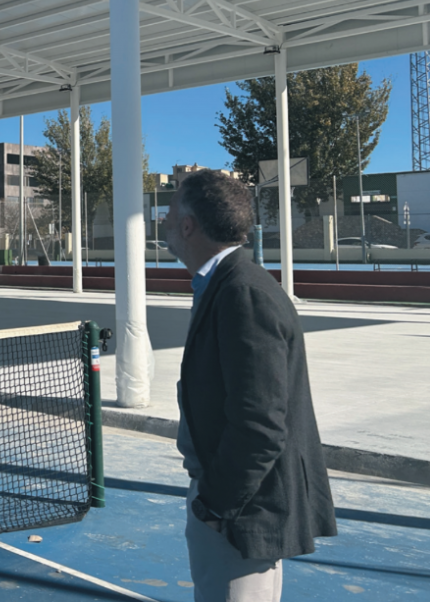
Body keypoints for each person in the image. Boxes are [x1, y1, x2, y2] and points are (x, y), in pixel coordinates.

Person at [163, 170, 337, 601]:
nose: (162, 222)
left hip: (241, 510)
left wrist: (217, 505)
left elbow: (260, 423)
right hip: (234, 502)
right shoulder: (226, 284)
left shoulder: (242, 291)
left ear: (188, 225)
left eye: (168, 213)